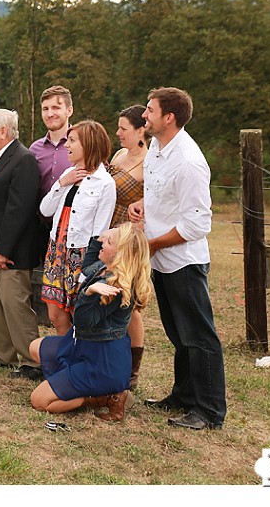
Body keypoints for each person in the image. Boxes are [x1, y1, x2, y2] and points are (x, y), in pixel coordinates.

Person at [128, 87, 227, 430]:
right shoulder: (156, 145)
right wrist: (144, 205)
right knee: (179, 335)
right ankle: (183, 396)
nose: (145, 115)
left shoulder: (189, 161)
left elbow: (199, 222)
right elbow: (158, 191)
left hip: (184, 262)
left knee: (199, 337)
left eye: (151, 111)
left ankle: (209, 410)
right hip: (160, 260)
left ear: (169, 118)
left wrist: (154, 243)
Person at [28, 224, 154, 422]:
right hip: (82, 346)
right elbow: (86, 266)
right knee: (35, 347)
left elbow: (84, 322)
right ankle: (74, 380)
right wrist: (102, 236)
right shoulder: (104, 267)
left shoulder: (114, 287)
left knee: (39, 401)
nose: (102, 242)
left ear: (120, 254)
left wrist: (88, 293)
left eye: (108, 241)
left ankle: (104, 397)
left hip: (100, 360)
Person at [0, 108, 45, 380]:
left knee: (15, 306)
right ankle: (3, 354)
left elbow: (19, 210)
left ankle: (31, 360)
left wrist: (3, 250)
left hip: (11, 252)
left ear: (3, 131)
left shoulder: (23, 160)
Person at [39, 120, 116, 335]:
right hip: (56, 252)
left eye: (72, 141)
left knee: (78, 313)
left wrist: (88, 270)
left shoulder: (105, 183)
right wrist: (61, 183)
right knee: (55, 315)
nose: (66, 145)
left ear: (89, 144)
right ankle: (66, 357)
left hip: (80, 255)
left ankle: (79, 360)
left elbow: (100, 232)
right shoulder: (68, 175)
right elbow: (45, 210)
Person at [107, 104, 149, 387]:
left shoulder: (151, 161)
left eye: (124, 129)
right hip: (108, 230)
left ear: (141, 130)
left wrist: (143, 204)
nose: (118, 133)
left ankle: (133, 368)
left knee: (129, 302)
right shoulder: (120, 154)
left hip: (130, 234)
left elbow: (158, 195)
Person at [29, 85, 75, 199]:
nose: (49, 114)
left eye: (56, 108)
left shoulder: (86, 146)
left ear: (69, 111)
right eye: (45, 109)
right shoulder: (34, 150)